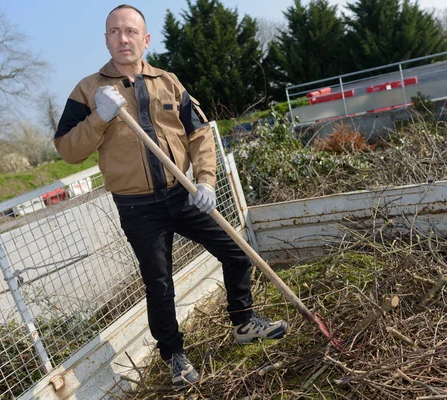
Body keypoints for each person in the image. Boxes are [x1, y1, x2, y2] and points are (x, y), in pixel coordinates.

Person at [54, 4, 287, 388]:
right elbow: (66, 149)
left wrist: (207, 181)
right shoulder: (88, 90)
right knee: (159, 282)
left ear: (145, 40)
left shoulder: (169, 82)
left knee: (235, 248)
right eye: (115, 31)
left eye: (131, 31)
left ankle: (244, 321)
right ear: (106, 39)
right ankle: (175, 356)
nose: (123, 38)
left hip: (182, 194)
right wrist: (99, 116)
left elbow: (199, 133)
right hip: (137, 207)